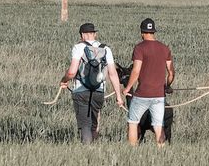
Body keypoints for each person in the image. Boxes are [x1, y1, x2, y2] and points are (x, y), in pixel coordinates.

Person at [59, 22, 126, 144]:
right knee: (94, 124)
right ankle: (94, 148)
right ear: (94, 34)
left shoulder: (78, 47)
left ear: (82, 35)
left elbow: (72, 72)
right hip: (99, 91)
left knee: (85, 124)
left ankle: (87, 149)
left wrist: (64, 81)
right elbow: (113, 74)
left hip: (81, 91)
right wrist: (118, 97)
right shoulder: (106, 49)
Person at [123, 17, 174, 146]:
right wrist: (167, 86)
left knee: (133, 122)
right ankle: (161, 150)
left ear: (142, 32)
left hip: (142, 94)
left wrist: (128, 87)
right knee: (158, 125)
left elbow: (136, 71)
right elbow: (171, 72)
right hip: (159, 95)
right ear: (153, 32)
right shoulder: (164, 48)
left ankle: (132, 150)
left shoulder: (139, 48)